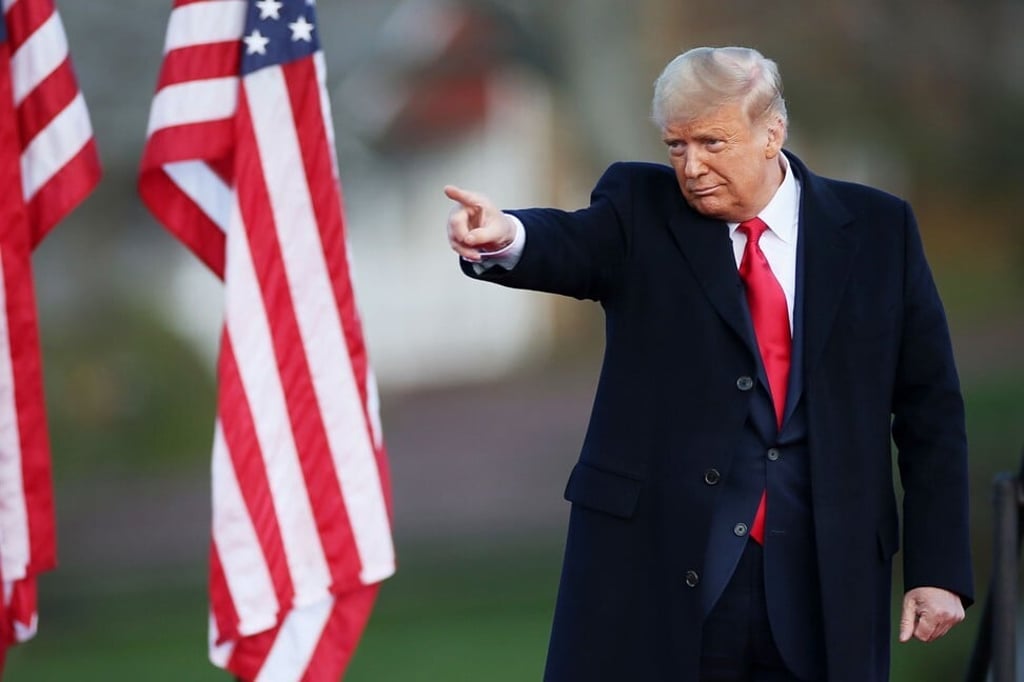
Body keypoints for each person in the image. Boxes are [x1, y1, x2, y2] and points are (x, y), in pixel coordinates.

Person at [444, 46, 972, 682]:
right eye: (676, 145)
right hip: (662, 578)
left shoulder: (880, 230)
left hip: (825, 580)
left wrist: (939, 570)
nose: (691, 167)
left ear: (771, 132)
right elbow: (571, 243)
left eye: (712, 143)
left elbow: (930, 408)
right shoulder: (640, 208)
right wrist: (505, 236)